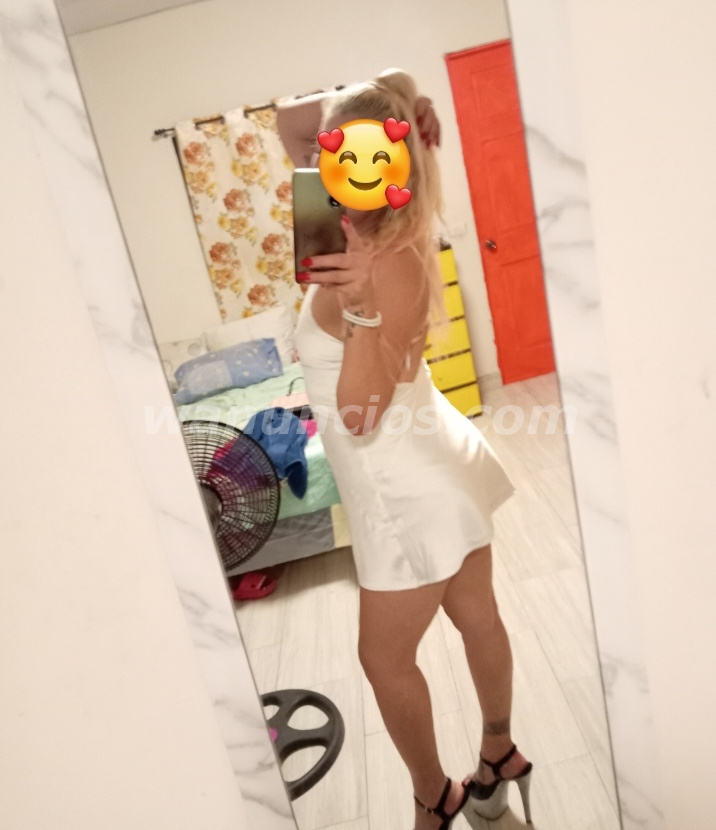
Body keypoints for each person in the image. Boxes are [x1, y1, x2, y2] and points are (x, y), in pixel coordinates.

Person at [277, 68, 533, 829]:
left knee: (383, 659)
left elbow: (358, 416)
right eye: (334, 152)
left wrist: (358, 310)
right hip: (435, 453)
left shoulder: (379, 263)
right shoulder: (378, 223)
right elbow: (292, 123)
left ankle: (435, 797)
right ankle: (500, 753)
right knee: (477, 614)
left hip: (402, 484)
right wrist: (404, 100)